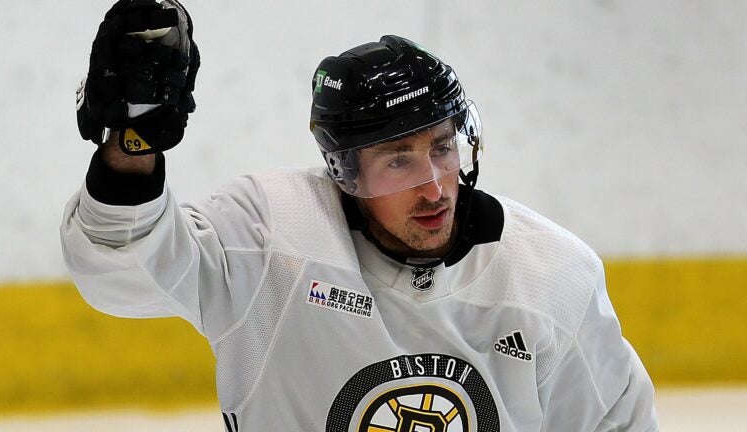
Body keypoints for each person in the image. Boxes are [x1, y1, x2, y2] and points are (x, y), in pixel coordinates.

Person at [61, 1, 659, 430]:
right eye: (398, 161)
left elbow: (616, 424)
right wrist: (133, 145)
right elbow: (122, 274)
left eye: (442, 148)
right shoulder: (271, 235)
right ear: (344, 171)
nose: (434, 186)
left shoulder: (551, 275)